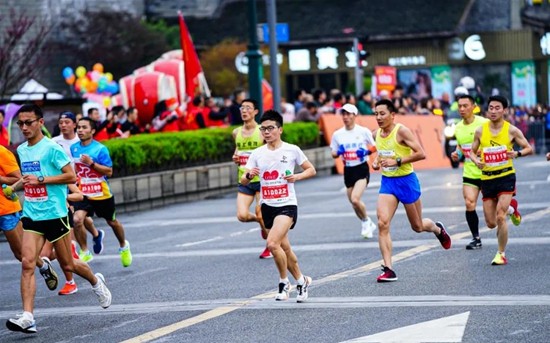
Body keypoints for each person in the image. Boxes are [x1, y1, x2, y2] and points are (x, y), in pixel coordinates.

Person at [5, 104, 111, 334]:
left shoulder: (52, 148)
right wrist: (14, 187)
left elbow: (70, 175)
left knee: (68, 264)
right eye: (20, 123)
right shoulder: (22, 150)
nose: (24, 127)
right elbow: (27, 178)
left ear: (40, 123)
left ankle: (95, 281)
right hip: (32, 213)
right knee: (26, 263)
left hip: (55, 214)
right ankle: (28, 317)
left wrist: (42, 179)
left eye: (28, 122)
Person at [372, 99, 452, 282]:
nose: (378, 117)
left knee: (417, 226)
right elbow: (382, 152)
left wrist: (397, 161)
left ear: (392, 115)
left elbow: (421, 153)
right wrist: (377, 161)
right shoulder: (376, 133)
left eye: (382, 113)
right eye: (376, 114)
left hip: (407, 181)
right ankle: (388, 269)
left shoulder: (401, 131)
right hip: (388, 183)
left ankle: (437, 229)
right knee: (382, 223)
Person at [241, 110, 316, 302]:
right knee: (286, 249)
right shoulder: (257, 153)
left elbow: (311, 170)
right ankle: (301, 280)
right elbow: (243, 179)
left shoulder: (292, 150)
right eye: (263, 129)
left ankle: (284, 282)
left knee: (272, 244)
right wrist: (249, 175)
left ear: (280, 130)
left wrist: (297, 176)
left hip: (287, 204)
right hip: (267, 205)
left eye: (270, 128)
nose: (266, 132)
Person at [469, 95, 532, 265]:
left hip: (505, 176)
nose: (493, 111)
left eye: (497, 108)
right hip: (487, 179)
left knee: (500, 217)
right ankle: (512, 209)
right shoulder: (481, 130)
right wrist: (476, 161)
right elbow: (472, 152)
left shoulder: (511, 130)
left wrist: (517, 153)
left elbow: (528, 148)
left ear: (504, 110)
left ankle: (501, 253)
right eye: (491, 108)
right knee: (490, 223)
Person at [71, 117, 132, 267]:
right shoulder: (74, 148)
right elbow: (75, 169)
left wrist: (91, 163)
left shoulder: (100, 149)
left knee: (112, 222)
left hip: (101, 193)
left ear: (92, 131)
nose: (80, 130)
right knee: (77, 219)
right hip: (83, 192)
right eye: (79, 127)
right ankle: (85, 251)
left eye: (84, 127)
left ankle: (124, 246)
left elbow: (109, 171)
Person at [1, 145, 59, 292]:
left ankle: (44, 266)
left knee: (21, 254)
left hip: (5, 209)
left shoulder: (2, 152)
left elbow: (17, 178)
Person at [330, 103, 377, 239]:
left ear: (354, 116)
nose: (345, 117)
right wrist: (338, 152)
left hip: (361, 167)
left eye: (348, 114)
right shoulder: (338, 134)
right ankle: (366, 221)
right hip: (348, 169)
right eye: (343, 114)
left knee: (356, 199)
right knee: (353, 202)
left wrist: (367, 151)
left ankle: (366, 222)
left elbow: (376, 146)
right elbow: (333, 152)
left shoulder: (363, 131)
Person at [231, 99, 271, 259]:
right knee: (242, 215)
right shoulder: (236, 132)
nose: (244, 110)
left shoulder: (262, 131)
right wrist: (235, 157)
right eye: (242, 107)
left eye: (248, 108)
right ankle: (262, 224)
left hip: (261, 180)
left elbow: (270, 151)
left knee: (261, 213)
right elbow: (238, 150)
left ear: (255, 112)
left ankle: (270, 245)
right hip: (244, 178)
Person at [450, 95, 489, 250]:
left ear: (474, 106)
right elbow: (461, 147)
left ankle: (510, 208)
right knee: (469, 203)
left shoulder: (485, 123)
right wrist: (456, 154)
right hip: (469, 171)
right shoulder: (458, 127)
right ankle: (476, 238)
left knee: (492, 218)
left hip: (488, 171)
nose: (461, 109)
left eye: (465, 106)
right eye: (459, 106)